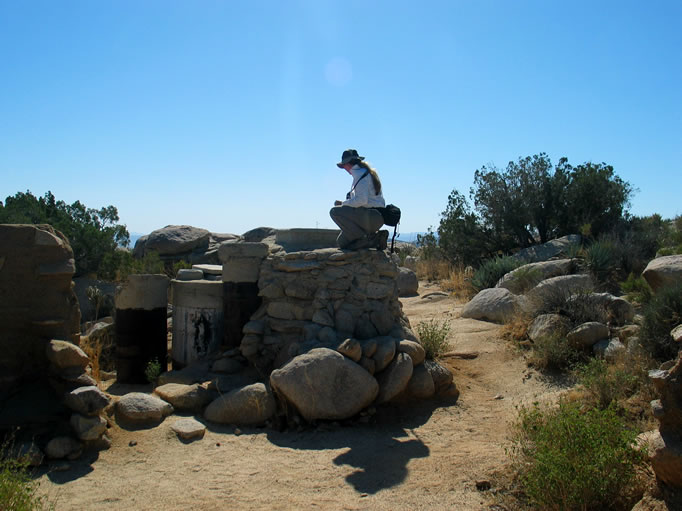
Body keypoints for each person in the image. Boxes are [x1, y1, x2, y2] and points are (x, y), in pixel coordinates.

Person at [329, 149, 389, 250]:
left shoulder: (361, 176)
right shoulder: (364, 173)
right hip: (373, 218)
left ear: (348, 164)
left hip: (371, 217)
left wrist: (343, 203)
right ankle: (374, 239)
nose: (344, 169)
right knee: (342, 242)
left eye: (344, 166)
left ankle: (367, 238)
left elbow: (361, 200)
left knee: (334, 211)